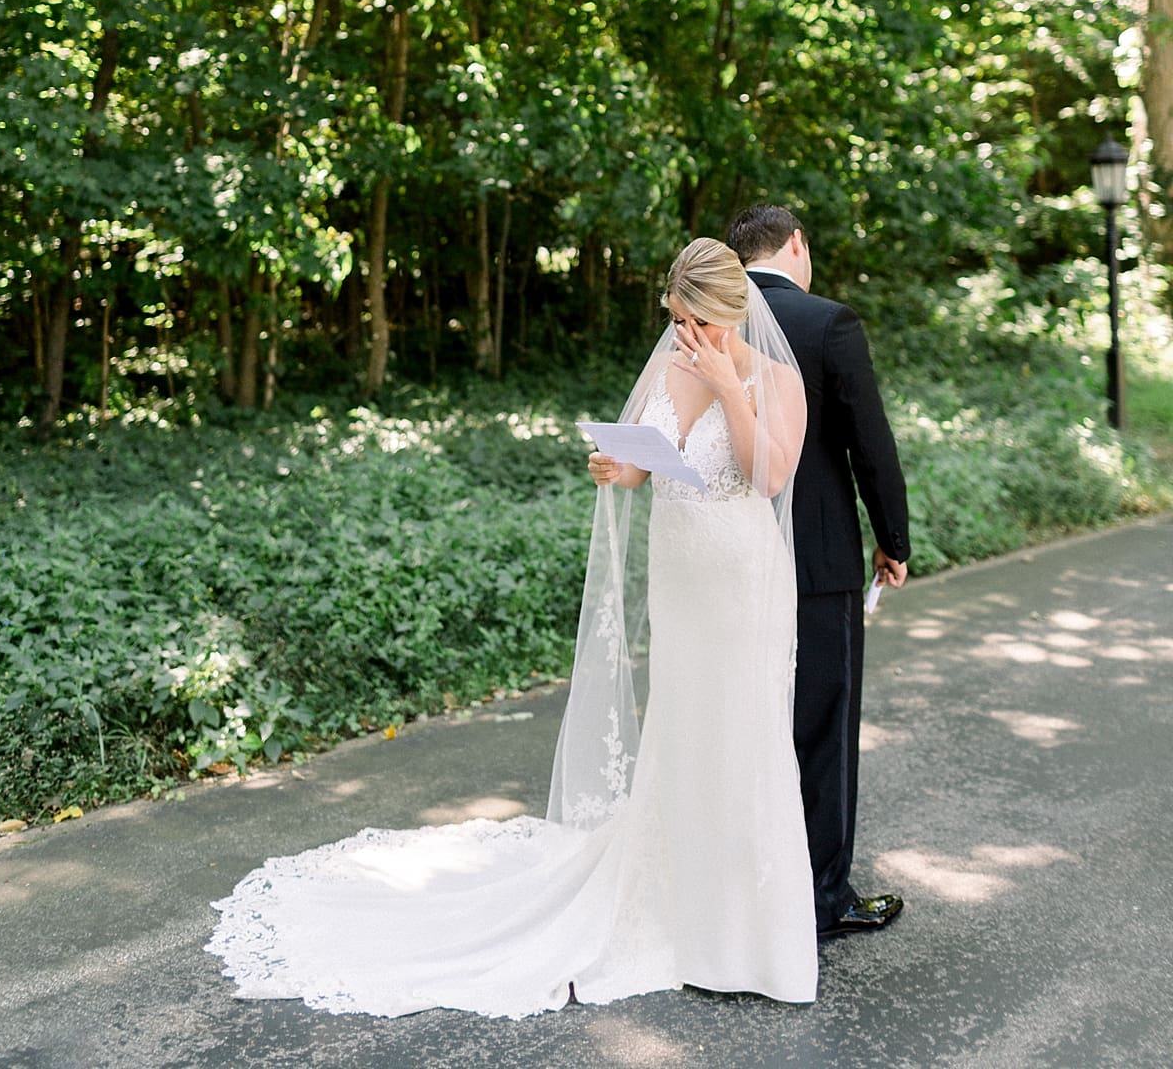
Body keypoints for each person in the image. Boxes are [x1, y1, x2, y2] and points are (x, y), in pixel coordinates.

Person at [207, 238, 818, 1017]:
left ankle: (748, 935)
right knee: (687, 723)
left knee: (743, 730)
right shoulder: (668, 365)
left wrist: (729, 384)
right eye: (674, 319)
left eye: (693, 320)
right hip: (681, 575)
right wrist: (616, 467)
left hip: (740, 576)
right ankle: (678, 904)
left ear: (728, 313)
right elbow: (647, 461)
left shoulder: (775, 377)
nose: (681, 335)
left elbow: (769, 476)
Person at [727, 203, 910, 940]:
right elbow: (871, 443)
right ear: (797, 244)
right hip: (817, 556)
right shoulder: (829, 323)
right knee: (822, 724)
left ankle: (740, 881)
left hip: (727, 556)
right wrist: (892, 539)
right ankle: (823, 898)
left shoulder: (703, 318)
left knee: (746, 716)